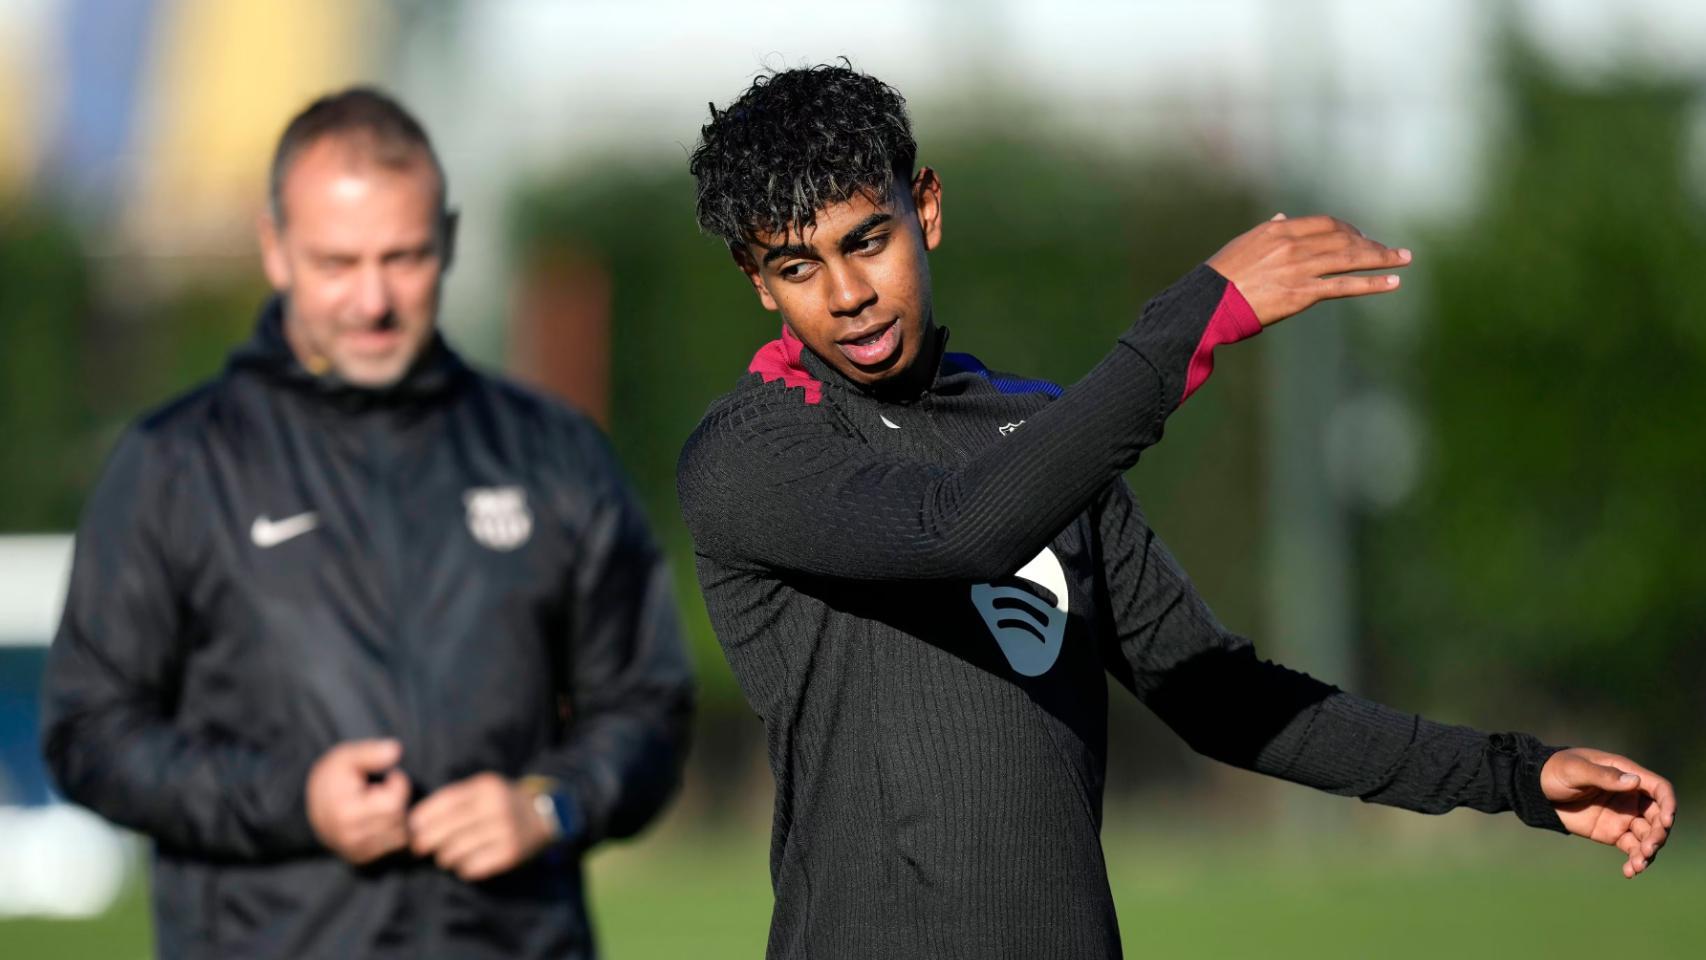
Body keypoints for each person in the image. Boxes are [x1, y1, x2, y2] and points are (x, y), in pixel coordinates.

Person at [676, 64, 1676, 959]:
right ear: (755, 281)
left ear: (924, 207)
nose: (847, 293)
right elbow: (959, 530)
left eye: (868, 240)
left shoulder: (1033, 434)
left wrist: (1511, 777)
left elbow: (1216, 696)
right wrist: (1189, 319)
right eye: (798, 267)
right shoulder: (753, 454)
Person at [41, 87, 694, 960]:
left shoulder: (553, 453)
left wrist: (548, 806)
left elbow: (649, 706)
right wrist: (292, 800)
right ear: (275, 249)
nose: (374, 299)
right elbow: (88, 733)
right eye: (338, 263)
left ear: (450, 242)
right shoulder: (178, 464)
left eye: (405, 257)